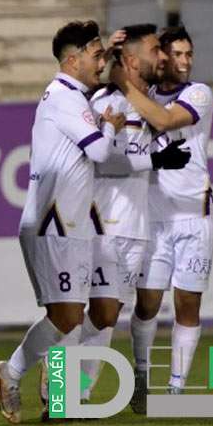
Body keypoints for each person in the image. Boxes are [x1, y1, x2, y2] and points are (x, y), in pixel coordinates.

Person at [0, 20, 126, 424]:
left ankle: (58, 391)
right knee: (66, 316)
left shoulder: (74, 96)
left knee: (93, 311)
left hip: (74, 222)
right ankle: (12, 373)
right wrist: (111, 127)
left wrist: (111, 42)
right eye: (95, 55)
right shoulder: (63, 99)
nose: (101, 62)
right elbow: (101, 152)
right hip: (53, 223)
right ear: (73, 59)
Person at [78, 23, 189, 402]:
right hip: (102, 223)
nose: (163, 56)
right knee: (92, 313)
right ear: (130, 59)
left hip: (134, 224)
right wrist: (154, 159)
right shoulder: (104, 103)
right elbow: (98, 159)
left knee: (107, 315)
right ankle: (55, 379)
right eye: (156, 49)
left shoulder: (149, 105)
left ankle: (74, 394)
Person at [112, 26, 213, 412]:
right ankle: (142, 377)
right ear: (161, 58)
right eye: (177, 54)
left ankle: (175, 389)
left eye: (190, 53)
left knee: (188, 305)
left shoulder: (199, 94)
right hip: (153, 217)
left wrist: (124, 85)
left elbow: (167, 120)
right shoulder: (145, 93)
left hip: (195, 216)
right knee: (147, 305)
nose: (185, 61)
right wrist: (115, 56)